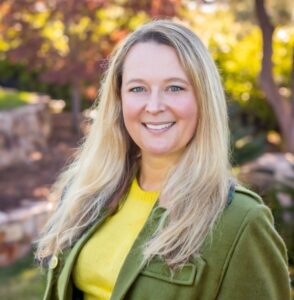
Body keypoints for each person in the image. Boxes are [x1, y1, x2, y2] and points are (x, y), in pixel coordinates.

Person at [36, 19, 291, 300]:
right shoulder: (85, 192)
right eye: (137, 88)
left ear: (203, 99)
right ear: (119, 100)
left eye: (174, 88)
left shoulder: (240, 222)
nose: (154, 106)